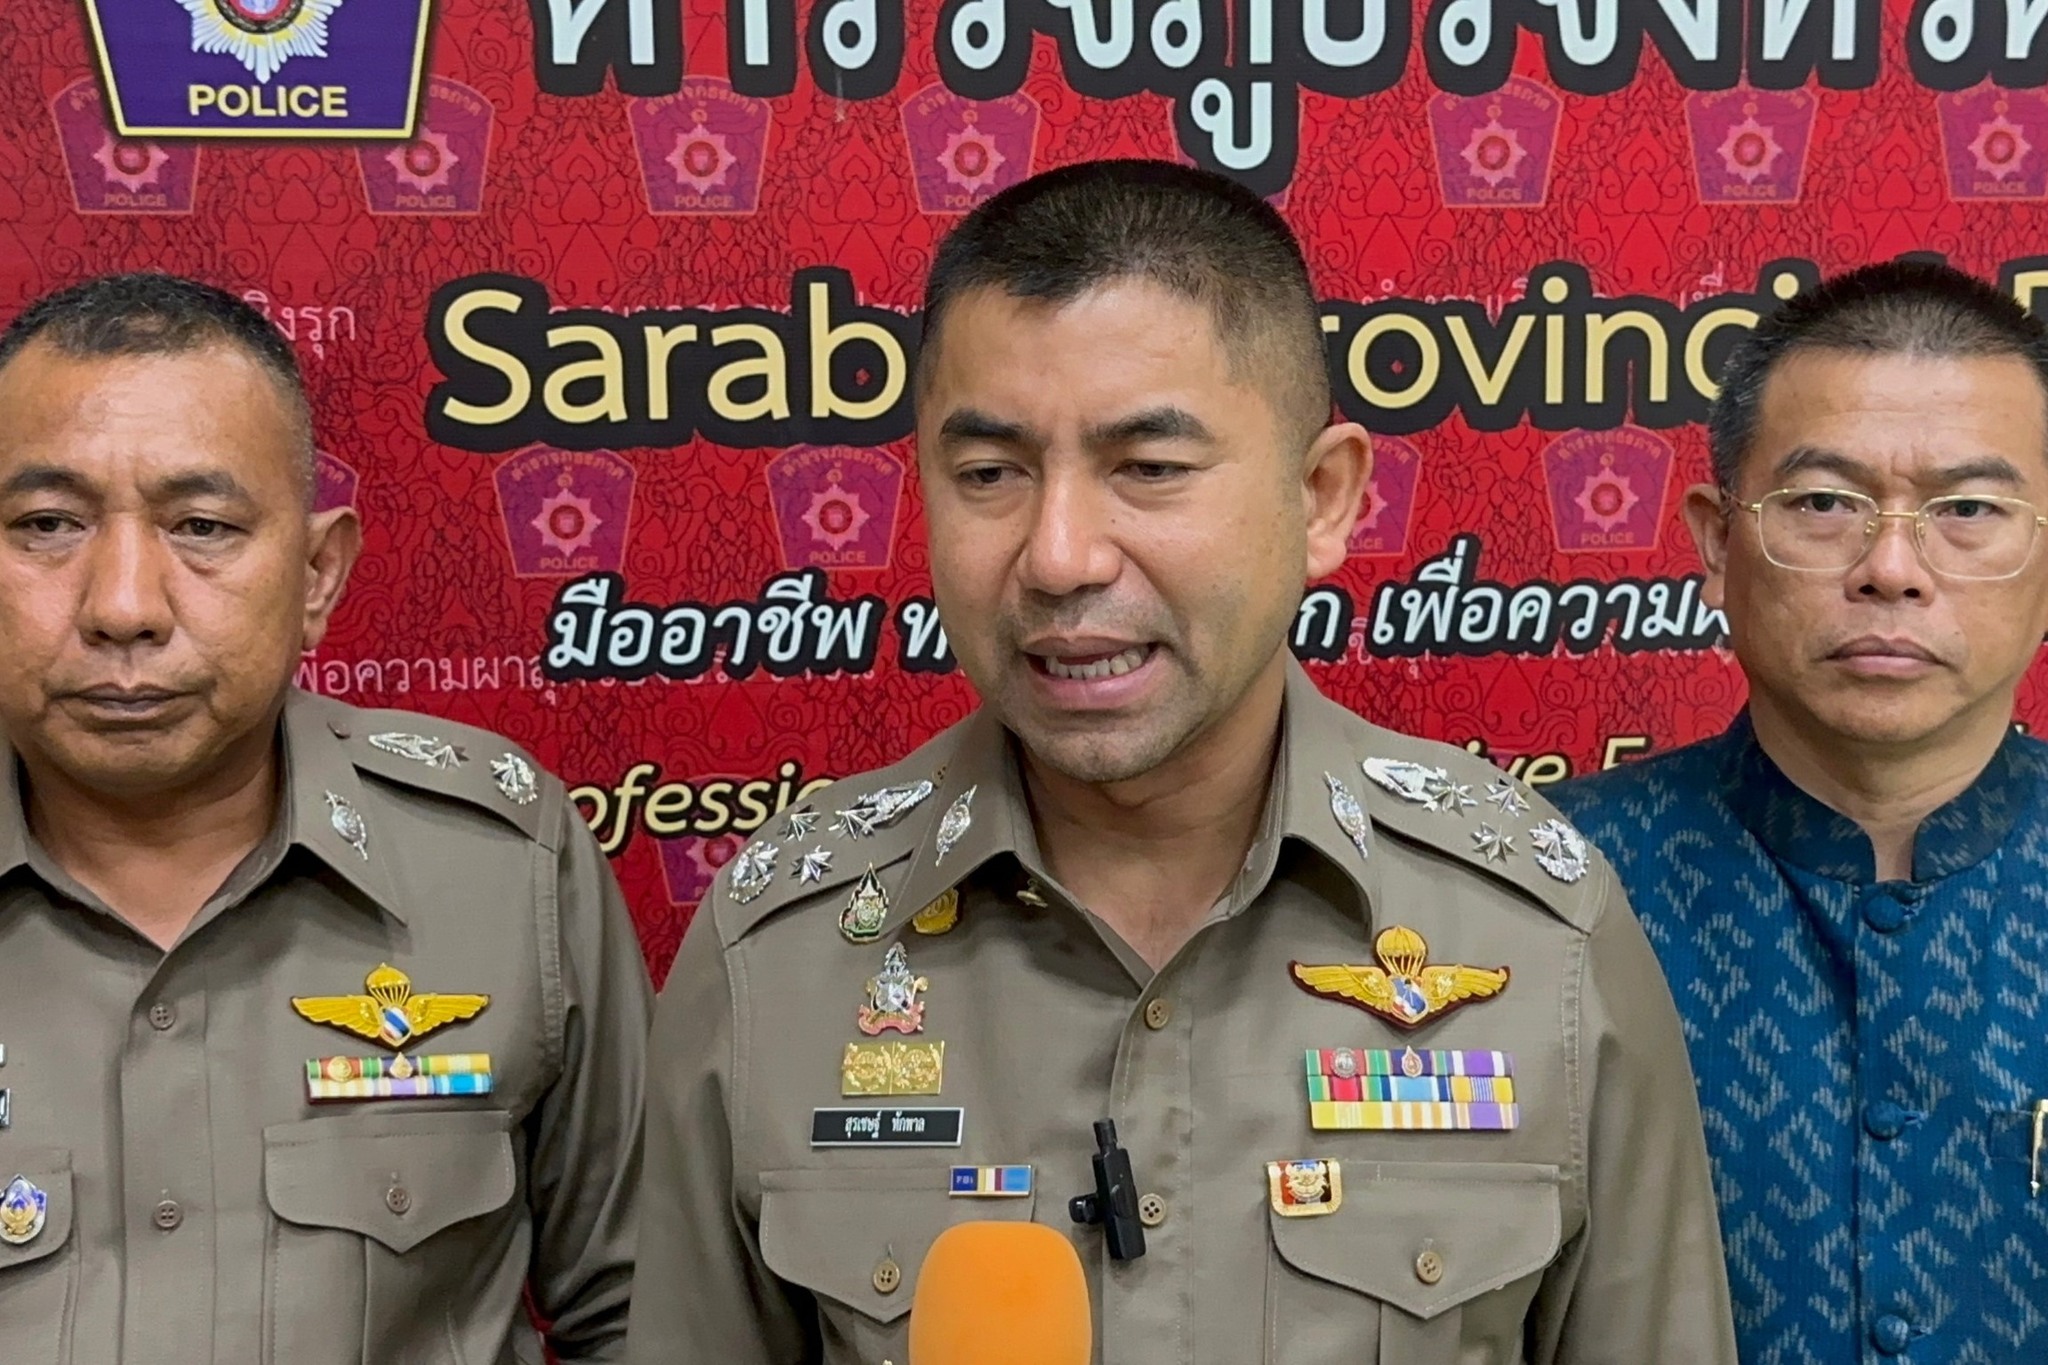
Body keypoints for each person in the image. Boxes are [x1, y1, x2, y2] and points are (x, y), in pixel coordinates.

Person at [631, 160, 1736, 1363]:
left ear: (1322, 499)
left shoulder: (1534, 934)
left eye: (1147, 469)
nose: (1059, 556)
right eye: (989, 475)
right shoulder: (782, 949)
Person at [0, 273, 647, 1363]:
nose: (123, 606)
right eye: (47, 525)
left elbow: (642, 1312)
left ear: (316, 576)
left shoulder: (500, 864)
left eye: (201, 526)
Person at [1551, 259, 2048, 1363]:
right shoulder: (1542, 882)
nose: (1891, 569)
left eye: (1968, 509)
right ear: (1715, 542)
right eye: (1823, 503)